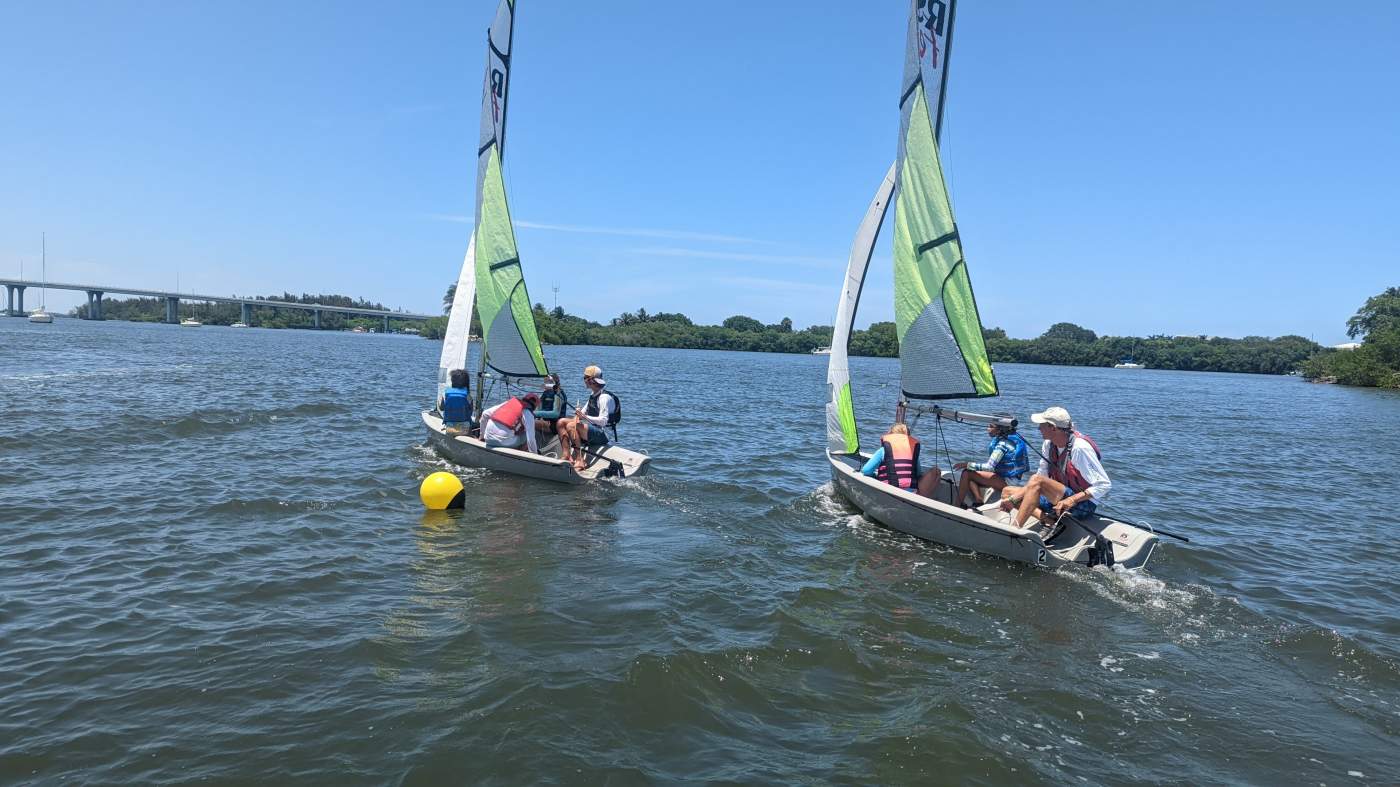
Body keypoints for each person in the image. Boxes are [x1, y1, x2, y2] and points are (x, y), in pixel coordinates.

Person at [999, 406, 1111, 528]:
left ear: (1053, 428)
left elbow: (1104, 485)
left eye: (1042, 425)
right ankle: (1048, 520)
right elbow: (1041, 477)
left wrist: (1071, 500)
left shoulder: (1079, 448)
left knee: (1036, 481)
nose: (1038, 428)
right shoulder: (1048, 444)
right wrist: (1014, 499)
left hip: (1082, 505)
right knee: (1007, 492)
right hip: (1056, 499)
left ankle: (1015, 528)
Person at [952, 417, 1030, 508]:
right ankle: (978, 500)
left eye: (990, 426)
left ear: (999, 430)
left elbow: (990, 467)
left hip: (1007, 482)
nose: (987, 428)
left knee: (966, 473)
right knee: (972, 472)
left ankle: (956, 505)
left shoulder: (1002, 444)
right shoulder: (1009, 440)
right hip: (1008, 478)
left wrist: (966, 464)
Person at [860, 423, 943, 497]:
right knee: (936, 471)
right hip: (911, 495)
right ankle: (924, 502)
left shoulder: (883, 450)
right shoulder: (912, 451)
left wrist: (874, 476)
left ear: (891, 434)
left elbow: (866, 470)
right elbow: (917, 474)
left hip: (888, 491)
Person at [558, 365, 616, 470]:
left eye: (585, 378)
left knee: (571, 426)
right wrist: (578, 415)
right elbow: (582, 413)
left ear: (591, 380)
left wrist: (584, 416)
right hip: (593, 430)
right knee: (561, 422)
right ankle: (566, 455)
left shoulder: (604, 397)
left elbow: (603, 421)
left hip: (604, 434)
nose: (584, 380)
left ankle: (580, 461)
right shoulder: (593, 395)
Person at [533, 373, 569, 437]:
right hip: (545, 422)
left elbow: (555, 414)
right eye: (545, 382)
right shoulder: (545, 393)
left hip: (555, 425)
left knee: (529, 422)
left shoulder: (558, 394)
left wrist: (535, 414)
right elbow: (538, 409)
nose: (545, 384)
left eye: (548, 382)